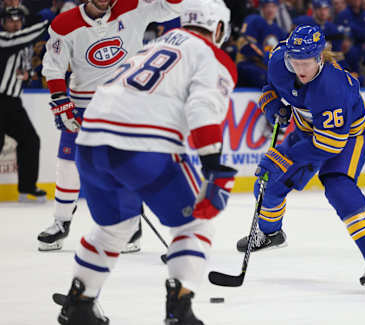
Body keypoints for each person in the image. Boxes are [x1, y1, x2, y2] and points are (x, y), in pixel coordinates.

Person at [52, 1, 237, 324]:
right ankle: (179, 309)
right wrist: (213, 165)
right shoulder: (211, 54)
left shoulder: (154, 45)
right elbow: (203, 106)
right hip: (140, 146)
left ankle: (80, 303)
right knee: (194, 223)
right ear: (218, 28)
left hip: (91, 142)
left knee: (114, 228)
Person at [236, 25, 365, 294]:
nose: (299, 69)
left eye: (306, 62)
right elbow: (270, 89)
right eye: (294, 61)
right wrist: (274, 107)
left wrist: (284, 155)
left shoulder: (332, 88)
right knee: (268, 183)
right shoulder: (279, 61)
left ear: (320, 58)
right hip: (308, 131)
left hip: (347, 138)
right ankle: (270, 234)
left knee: (338, 188)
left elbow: (329, 145)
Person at [37, 0, 185, 252]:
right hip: (84, 104)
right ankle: (61, 221)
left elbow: (172, 9)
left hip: (126, 103)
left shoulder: (132, 6)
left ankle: (132, 226)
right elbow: (53, 67)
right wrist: (61, 100)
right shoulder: (64, 23)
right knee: (68, 164)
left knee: (129, 166)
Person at [0, 7, 49, 202]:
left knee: (30, 140)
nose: (15, 23)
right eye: (11, 20)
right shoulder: (4, 38)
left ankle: (27, 187)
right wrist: (50, 23)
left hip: (13, 103)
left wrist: (27, 75)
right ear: (3, 23)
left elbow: (25, 70)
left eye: (18, 20)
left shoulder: (25, 46)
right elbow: (20, 38)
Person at [236, 0, 288, 88]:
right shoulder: (254, 20)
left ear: (277, 8)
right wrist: (264, 55)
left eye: (273, 6)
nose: (270, 9)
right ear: (261, 7)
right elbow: (245, 45)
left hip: (268, 69)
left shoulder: (279, 31)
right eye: (267, 6)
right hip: (249, 64)